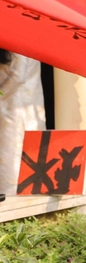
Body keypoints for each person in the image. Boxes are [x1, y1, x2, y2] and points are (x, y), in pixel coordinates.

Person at [0, 49, 46, 196]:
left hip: (15, 104)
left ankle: (11, 200)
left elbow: (18, 75)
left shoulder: (20, 42)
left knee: (11, 153)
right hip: (14, 103)